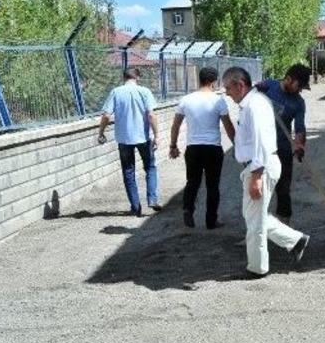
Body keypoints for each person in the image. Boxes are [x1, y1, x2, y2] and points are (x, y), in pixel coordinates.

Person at [222, 67, 310, 279]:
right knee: (253, 215)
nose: (226, 92)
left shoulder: (255, 105)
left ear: (240, 85)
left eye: (228, 88)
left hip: (261, 165)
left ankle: (257, 267)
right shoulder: (256, 99)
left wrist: (257, 175)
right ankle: (294, 240)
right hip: (256, 165)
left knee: (255, 223)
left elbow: (263, 141)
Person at [169, 67, 235, 229]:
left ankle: (187, 209)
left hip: (193, 148)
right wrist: (238, 146)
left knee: (192, 182)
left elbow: (175, 125)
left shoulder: (186, 99)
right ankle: (211, 221)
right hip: (213, 149)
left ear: (200, 79)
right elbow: (228, 126)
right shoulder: (218, 100)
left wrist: (173, 145)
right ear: (214, 81)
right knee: (213, 185)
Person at [97, 68, 161, 217]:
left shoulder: (116, 92)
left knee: (128, 171)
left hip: (124, 139)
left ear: (124, 77)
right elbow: (151, 115)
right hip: (143, 137)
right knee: (150, 167)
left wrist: (101, 132)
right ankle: (152, 199)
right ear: (137, 77)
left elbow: (106, 115)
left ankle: (135, 206)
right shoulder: (144, 91)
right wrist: (157, 135)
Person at [254, 63, 311, 225]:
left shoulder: (299, 103)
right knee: (257, 188)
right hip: (260, 148)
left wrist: (300, 145)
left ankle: (284, 227)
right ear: (288, 79)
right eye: (299, 86)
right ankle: (255, 231)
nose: (300, 90)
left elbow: (300, 127)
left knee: (283, 189)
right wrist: (254, 91)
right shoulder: (268, 86)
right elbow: (248, 99)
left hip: (282, 149)